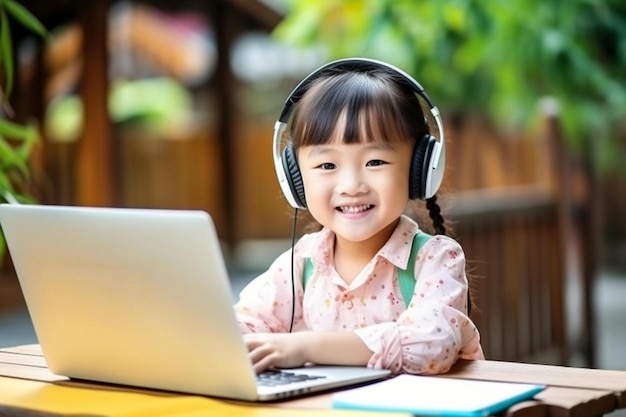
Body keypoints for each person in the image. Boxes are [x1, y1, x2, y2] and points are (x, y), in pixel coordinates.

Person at [234, 58, 484, 376]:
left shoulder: (434, 260)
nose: (351, 186)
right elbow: (240, 327)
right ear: (294, 177)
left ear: (420, 169)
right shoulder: (299, 266)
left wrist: (305, 346)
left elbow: (431, 344)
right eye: (327, 165)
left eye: (375, 161)